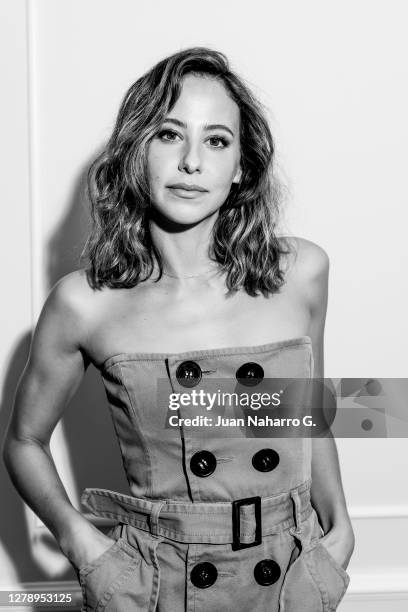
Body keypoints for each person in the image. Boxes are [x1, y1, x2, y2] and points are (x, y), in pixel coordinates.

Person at [3, 47, 355, 611]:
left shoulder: (302, 272)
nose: (192, 161)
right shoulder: (84, 303)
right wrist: (81, 544)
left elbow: (307, 414)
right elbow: (23, 441)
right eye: (169, 134)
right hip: (157, 587)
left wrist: (340, 530)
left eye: (216, 140)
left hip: (291, 578)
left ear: (242, 165)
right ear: (136, 150)